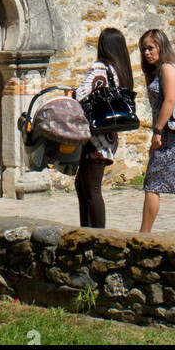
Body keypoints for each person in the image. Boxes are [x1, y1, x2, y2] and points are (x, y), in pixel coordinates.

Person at [138, 27, 175, 237]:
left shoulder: (167, 69)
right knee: (158, 185)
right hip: (169, 136)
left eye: (150, 48)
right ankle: (146, 233)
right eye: (143, 49)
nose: (146, 53)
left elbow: (170, 100)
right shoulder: (162, 69)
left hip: (173, 137)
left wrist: (157, 131)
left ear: (161, 47)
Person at [73, 26, 133, 228]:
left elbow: (81, 93)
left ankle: (96, 235)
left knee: (90, 189)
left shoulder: (101, 68)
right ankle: (88, 231)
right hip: (107, 136)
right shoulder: (121, 70)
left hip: (95, 138)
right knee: (84, 185)